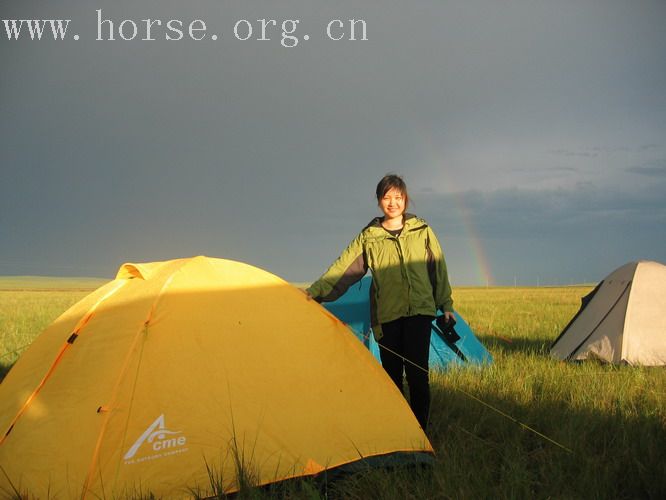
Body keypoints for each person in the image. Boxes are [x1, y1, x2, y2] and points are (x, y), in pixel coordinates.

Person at [306, 174, 454, 430]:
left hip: (419, 313)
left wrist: (446, 305)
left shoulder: (422, 231)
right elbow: (342, 269)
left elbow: (437, 269)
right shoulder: (369, 237)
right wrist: (314, 293)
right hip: (387, 318)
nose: (393, 202)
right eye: (387, 197)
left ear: (406, 200)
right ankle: (397, 432)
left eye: (398, 197)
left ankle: (420, 434)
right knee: (392, 379)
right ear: (379, 201)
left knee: (418, 376)